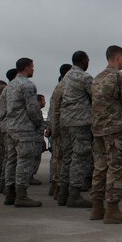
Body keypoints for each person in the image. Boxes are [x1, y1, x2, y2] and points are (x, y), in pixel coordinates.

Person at [90, 45, 122, 223]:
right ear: (118, 57)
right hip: (115, 129)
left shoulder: (97, 79)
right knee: (116, 167)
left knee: (100, 166)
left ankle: (97, 207)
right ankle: (112, 209)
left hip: (98, 129)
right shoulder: (119, 77)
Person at [5, 58, 44, 207]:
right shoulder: (27, 85)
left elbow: (4, 108)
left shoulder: (10, 86)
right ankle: (21, 195)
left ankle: (10, 194)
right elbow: (33, 108)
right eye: (32, 67)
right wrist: (38, 123)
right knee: (24, 161)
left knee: (12, 160)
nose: (33, 70)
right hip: (24, 129)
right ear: (27, 68)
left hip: (11, 128)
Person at [58, 51, 94, 208]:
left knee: (68, 157)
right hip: (80, 122)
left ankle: (63, 193)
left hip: (65, 121)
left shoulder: (66, 77)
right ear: (83, 61)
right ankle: (75, 195)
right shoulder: (84, 77)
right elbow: (97, 96)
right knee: (80, 158)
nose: (88, 64)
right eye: (88, 61)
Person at [45, 64, 72, 198]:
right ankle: (60, 187)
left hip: (57, 125)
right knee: (63, 157)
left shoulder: (57, 87)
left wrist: (50, 127)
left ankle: (55, 186)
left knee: (57, 157)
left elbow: (51, 110)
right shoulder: (65, 87)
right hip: (63, 126)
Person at [0, 68, 19, 202]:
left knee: (8, 157)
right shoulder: (18, 87)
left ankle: (4, 184)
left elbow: (1, 113)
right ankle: (11, 188)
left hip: (6, 126)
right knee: (16, 158)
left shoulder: (6, 90)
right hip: (16, 126)